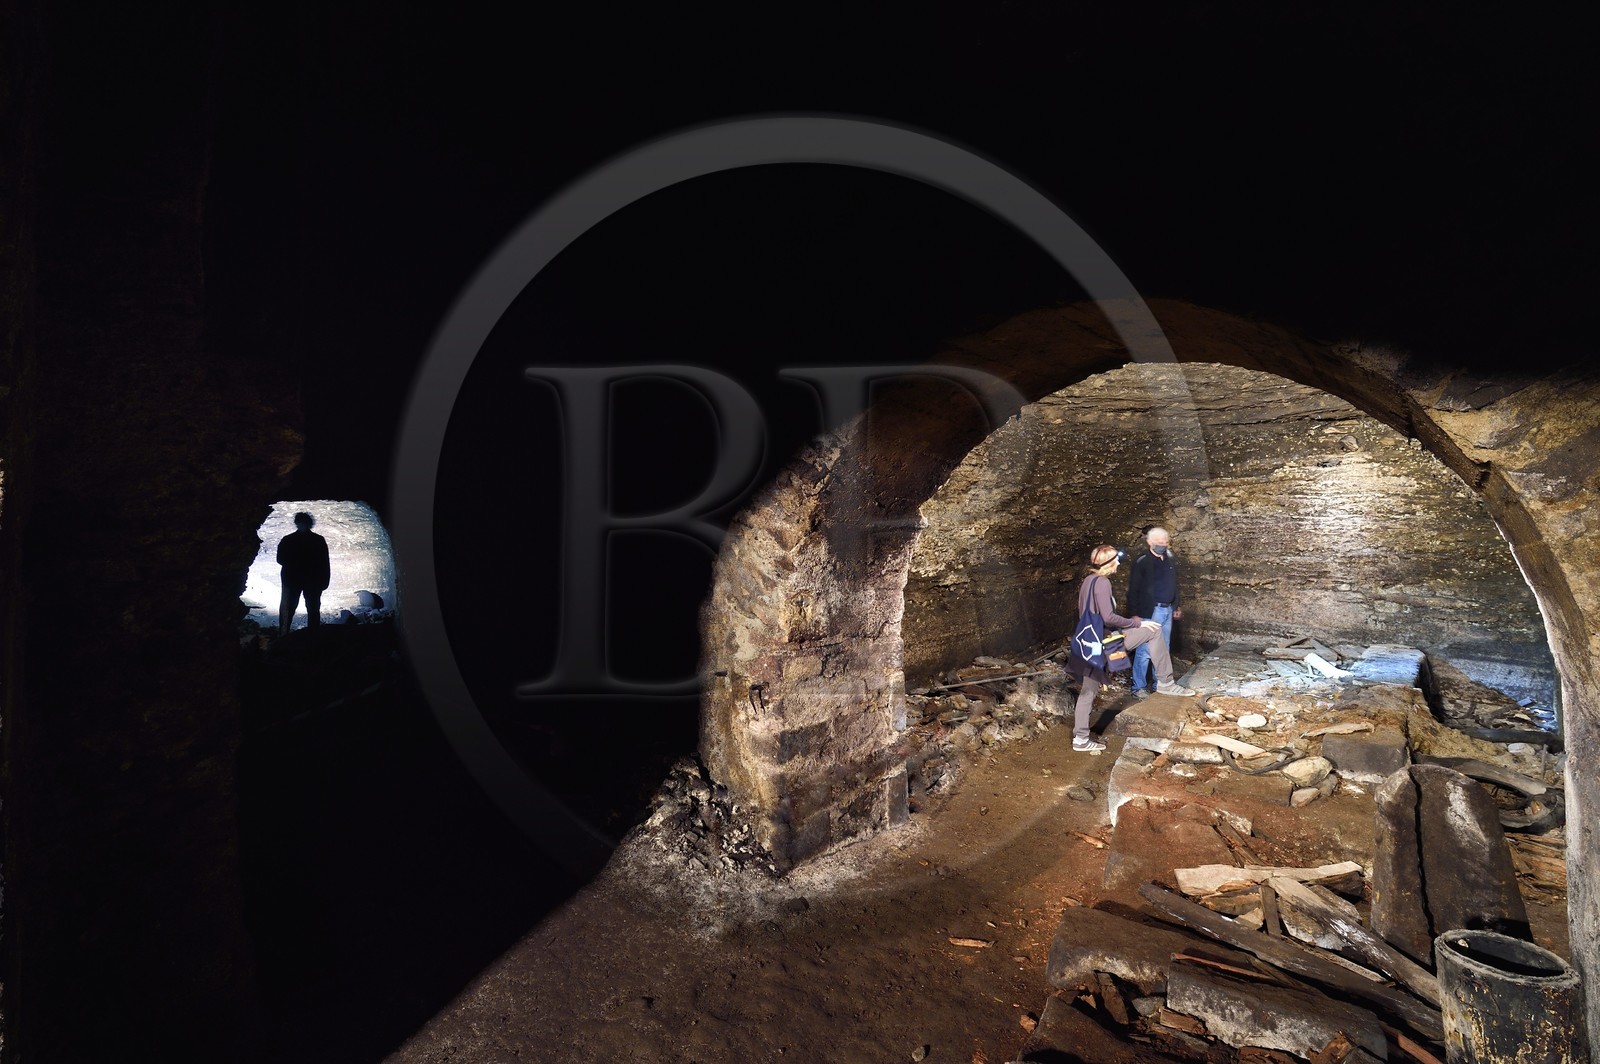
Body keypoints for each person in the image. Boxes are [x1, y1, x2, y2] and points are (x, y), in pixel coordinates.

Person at [1064, 544, 1195, 754]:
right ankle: (1166, 682)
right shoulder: (1103, 583)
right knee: (1153, 630)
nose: (1118, 563)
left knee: (1088, 691)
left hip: (1088, 643)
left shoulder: (1088, 581)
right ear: (1108, 562)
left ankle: (1080, 739)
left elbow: (1088, 615)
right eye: (1117, 559)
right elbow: (1107, 617)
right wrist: (1137, 624)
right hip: (1104, 642)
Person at [1127, 526, 1182, 698]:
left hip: (1166, 609)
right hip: (1150, 611)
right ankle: (1139, 687)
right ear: (1149, 542)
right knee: (1144, 651)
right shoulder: (1142, 561)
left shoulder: (1169, 559)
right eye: (1159, 542)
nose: (1163, 545)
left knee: (1163, 649)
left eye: (1165, 542)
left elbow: (1173, 584)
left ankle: (1160, 684)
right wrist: (1135, 613)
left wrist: (1176, 605)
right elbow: (1133, 589)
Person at [277, 511, 330, 635]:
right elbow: (324, 562)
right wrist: (324, 580)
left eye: (303, 523)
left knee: (304, 609)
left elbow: (280, 559)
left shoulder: (288, 540)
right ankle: (309, 635)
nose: (302, 525)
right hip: (305, 580)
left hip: (296, 580)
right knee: (304, 609)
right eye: (301, 523)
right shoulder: (318, 540)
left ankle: (286, 635)